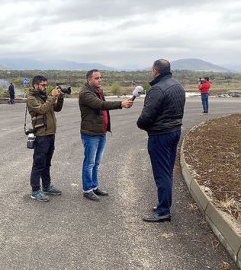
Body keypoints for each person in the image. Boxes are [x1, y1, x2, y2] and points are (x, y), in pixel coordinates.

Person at [137, 59, 185, 223]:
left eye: (152, 69)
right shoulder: (177, 86)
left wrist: (141, 125)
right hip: (175, 132)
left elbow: (146, 117)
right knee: (167, 170)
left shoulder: (157, 89)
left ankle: (164, 211)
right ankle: (164, 204)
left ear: (156, 71)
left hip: (160, 136)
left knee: (161, 174)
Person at [79, 69, 133, 201]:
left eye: (100, 78)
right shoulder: (85, 93)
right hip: (91, 134)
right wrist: (120, 104)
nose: (100, 80)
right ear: (89, 80)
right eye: (96, 78)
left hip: (101, 132)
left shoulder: (98, 91)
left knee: (96, 162)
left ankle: (94, 186)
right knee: (89, 162)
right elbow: (100, 105)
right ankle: (87, 189)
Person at [27, 75, 64, 202]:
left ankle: (47, 186)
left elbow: (57, 108)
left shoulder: (45, 97)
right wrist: (52, 96)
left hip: (50, 134)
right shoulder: (31, 99)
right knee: (38, 164)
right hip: (41, 136)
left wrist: (60, 97)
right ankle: (35, 190)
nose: (45, 87)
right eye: (43, 85)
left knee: (47, 163)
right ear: (35, 85)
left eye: (46, 85)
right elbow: (42, 110)